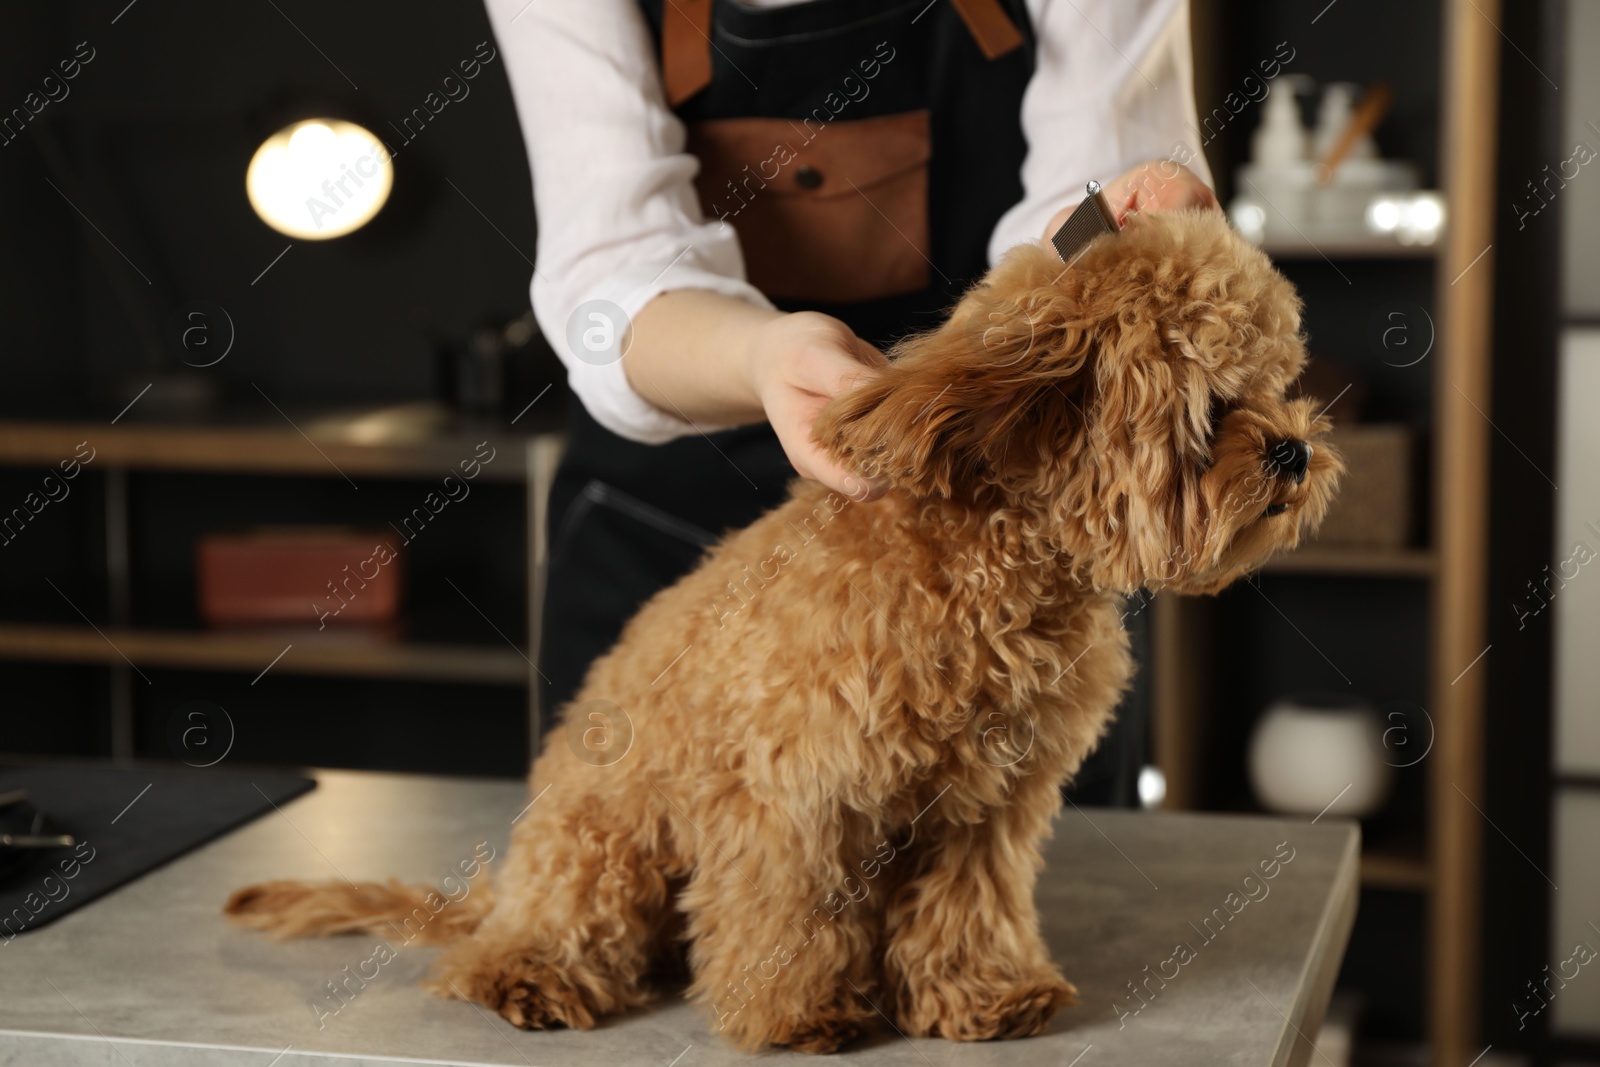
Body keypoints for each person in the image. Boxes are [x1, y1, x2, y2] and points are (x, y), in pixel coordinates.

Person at [487, 0, 1217, 804]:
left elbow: (1075, 228)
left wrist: (1090, 237)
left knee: (1016, 888)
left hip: (1008, 524)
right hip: (671, 520)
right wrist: (764, 357)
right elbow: (611, 277)